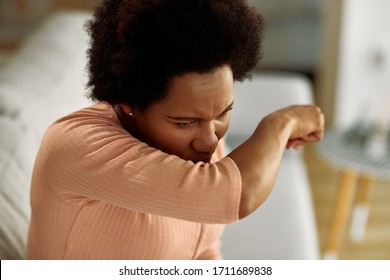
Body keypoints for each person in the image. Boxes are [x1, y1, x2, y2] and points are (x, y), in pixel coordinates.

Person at [27, 0, 324, 260]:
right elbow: (236, 195)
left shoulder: (201, 149)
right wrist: (281, 123)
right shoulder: (77, 147)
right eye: (185, 122)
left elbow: (203, 251)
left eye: (223, 113)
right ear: (129, 101)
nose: (210, 141)